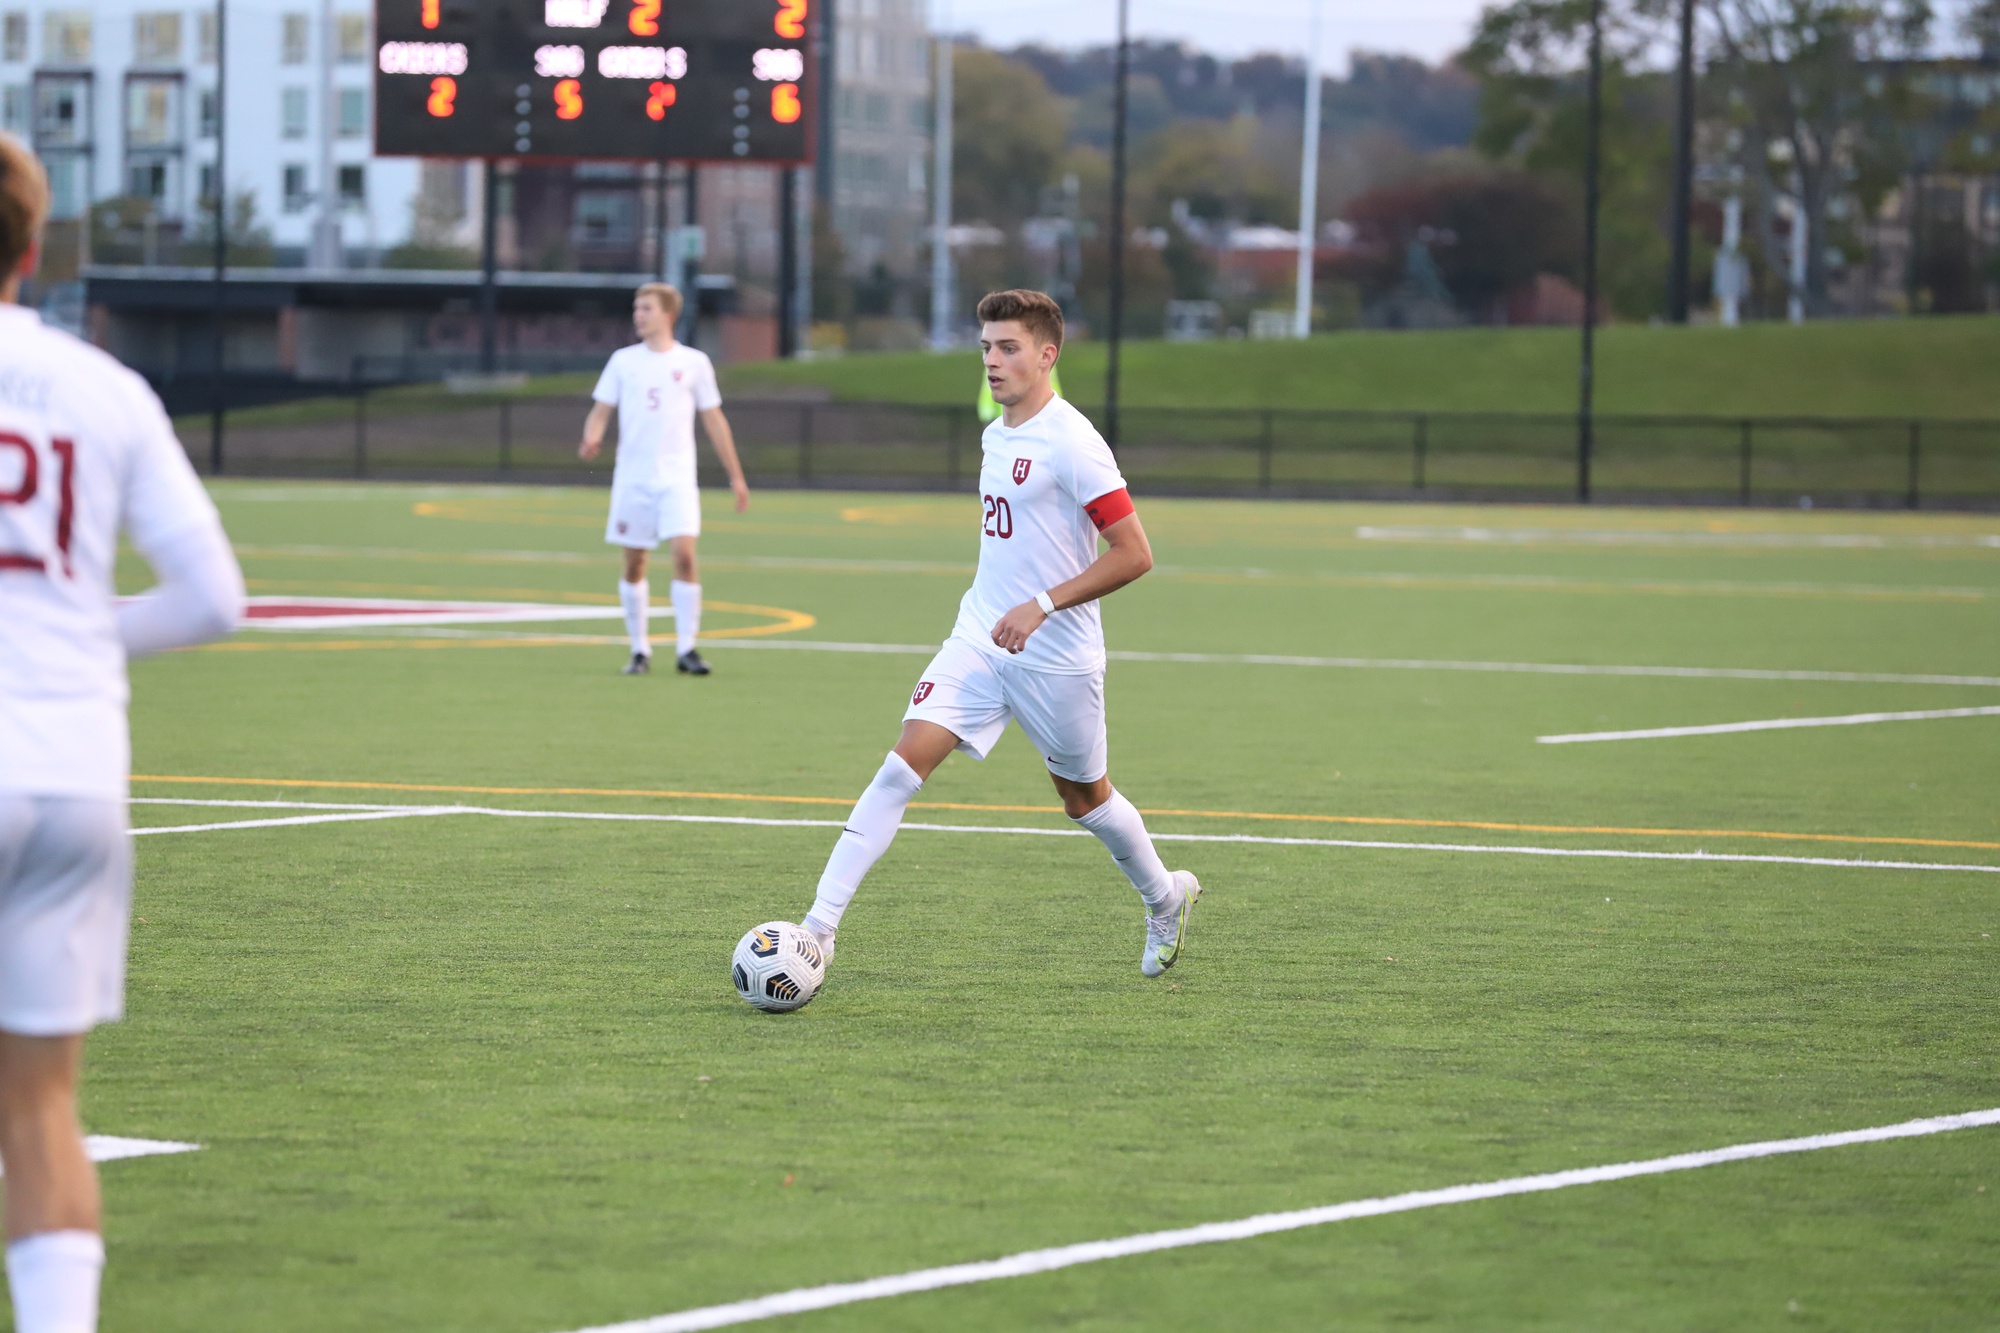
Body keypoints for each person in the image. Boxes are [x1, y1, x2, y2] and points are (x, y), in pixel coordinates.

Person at [0, 132, 244, 1333]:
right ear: (35, 250)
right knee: (39, 1109)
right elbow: (215, 599)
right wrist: (76, 637)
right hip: (71, 775)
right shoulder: (105, 388)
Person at [799, 289, 1200, 978]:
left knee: (1084, 798)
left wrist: (1042, 603)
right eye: (985, 346)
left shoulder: (1075, 444)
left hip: (1058, 656)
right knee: (900, 766)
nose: (992, 360)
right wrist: (1007, 608)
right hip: (980, 637)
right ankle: (818, 930)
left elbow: (1136, 553)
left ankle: (1164, 896)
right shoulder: (997, 431)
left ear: (1047, 356)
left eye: (1008, 347)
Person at [579, 283, 749, 676]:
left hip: (677, 478)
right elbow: (601, 411)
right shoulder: (623, 361)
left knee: (684, 556)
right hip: (633, 479)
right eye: (636, 308)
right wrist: (592, 435)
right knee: (634, 562)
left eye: (647, 309)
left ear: (668, 315)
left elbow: (714, 420)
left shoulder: (694, 362)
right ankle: (639, 650)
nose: (639, 315)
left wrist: (736, 476)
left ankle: (687, 648)